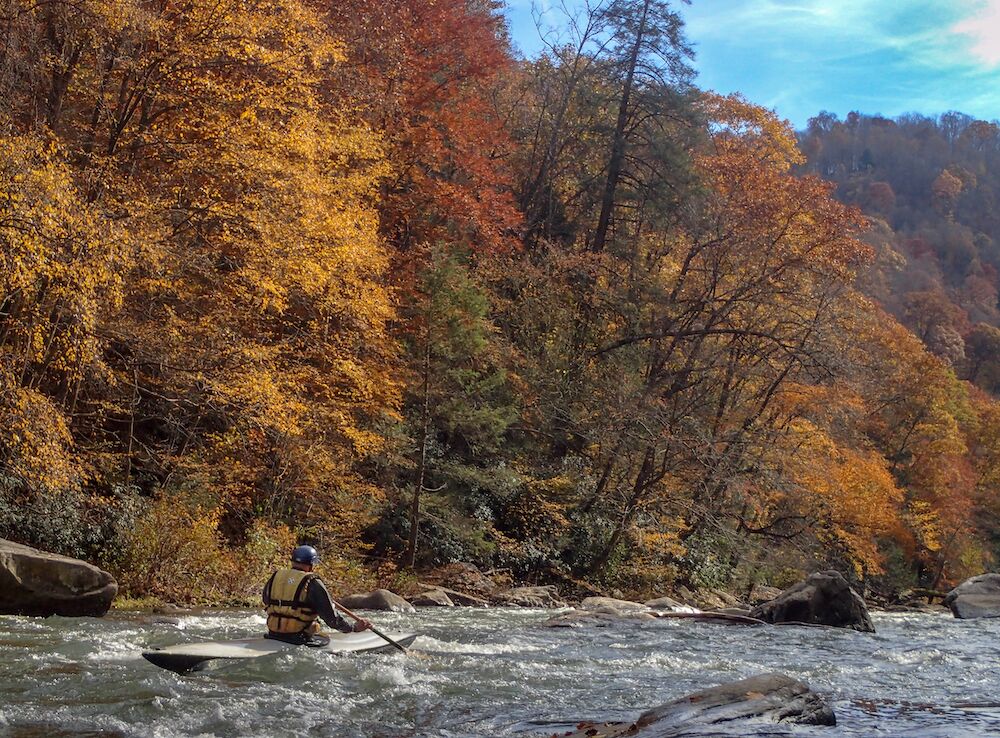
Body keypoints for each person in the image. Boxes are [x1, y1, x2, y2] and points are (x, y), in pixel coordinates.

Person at [262, 544, 372, 647]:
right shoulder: (312, 582)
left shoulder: (275, 577)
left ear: (293, 562)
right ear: (311, 565)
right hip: (299, 638)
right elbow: (331, 619)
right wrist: (352, 628)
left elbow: (266, 600)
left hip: (274, 634)